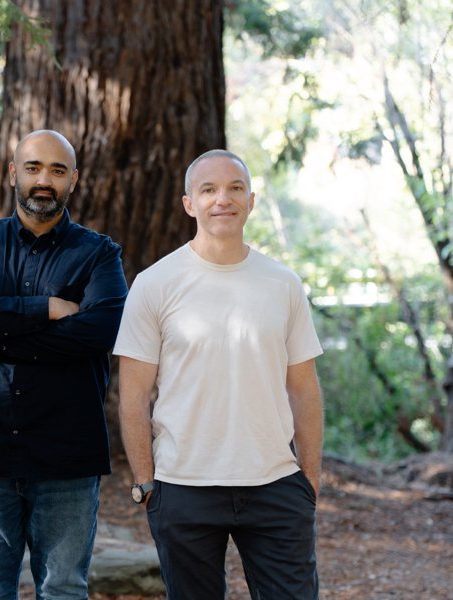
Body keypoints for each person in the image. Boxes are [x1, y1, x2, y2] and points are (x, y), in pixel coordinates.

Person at [115, 149, 324, 599]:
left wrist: (309, 479)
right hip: (182, 486)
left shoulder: (283, 283)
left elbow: (304, 388)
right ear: (189, 203)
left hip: (275, 484)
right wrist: (146, 483)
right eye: (208, 189)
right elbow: (133, 395)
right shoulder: (154, 284)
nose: (222, 199)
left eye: (234, 188)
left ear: (251, 201)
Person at [0, 129, 128, 599]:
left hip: (67, 452)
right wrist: (47, 309)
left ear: (73, 180)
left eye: (57, 170)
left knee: (63, 590)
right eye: (33, 168)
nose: (44, 180)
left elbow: (99, 332)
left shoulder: (99, 254)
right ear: (12, 174)